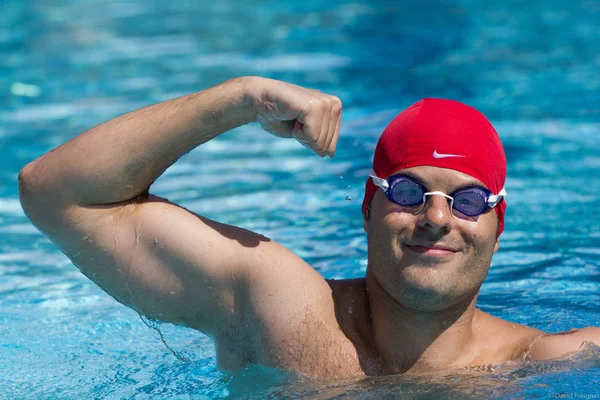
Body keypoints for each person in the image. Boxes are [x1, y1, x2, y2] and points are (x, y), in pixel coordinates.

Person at [18, 76, 599, 381]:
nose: (438, 218)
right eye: (406, 192)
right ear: (368, 207)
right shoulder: (282, 309)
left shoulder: (545, 360)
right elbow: (59, 195)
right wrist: (239, 99)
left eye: (468, 200)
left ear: (499, 223)